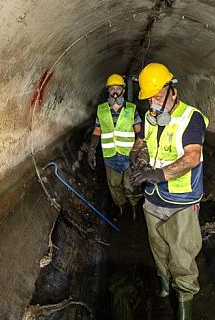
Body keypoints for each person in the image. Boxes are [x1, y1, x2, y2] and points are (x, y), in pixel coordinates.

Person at [129, 63, 208, 320]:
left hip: (181, 201)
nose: (153, 102)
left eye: (158, 96)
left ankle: (184, 304)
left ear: (173, 91)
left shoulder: (191, 118)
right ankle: (164, 286)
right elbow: (139, 144)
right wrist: (138, 161)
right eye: (149, 97)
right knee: (158, 248)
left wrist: (158, 174)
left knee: (182, 255)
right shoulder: (151, 118)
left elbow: (192, 157)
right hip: (153, 199)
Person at [85, 74, 143, 219]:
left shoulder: (132, 109)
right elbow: (97, 131)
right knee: (114, 184)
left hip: (129, 155)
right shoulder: (102, 110)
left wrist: (139, 151)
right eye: (112, 89)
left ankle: (134, 206)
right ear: (108, 91)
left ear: (123, 90)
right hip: (110, 155)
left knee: (131, 184)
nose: (115, 91)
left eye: (118, 88)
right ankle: (121, 206)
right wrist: (91, 151)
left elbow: (139, 132)